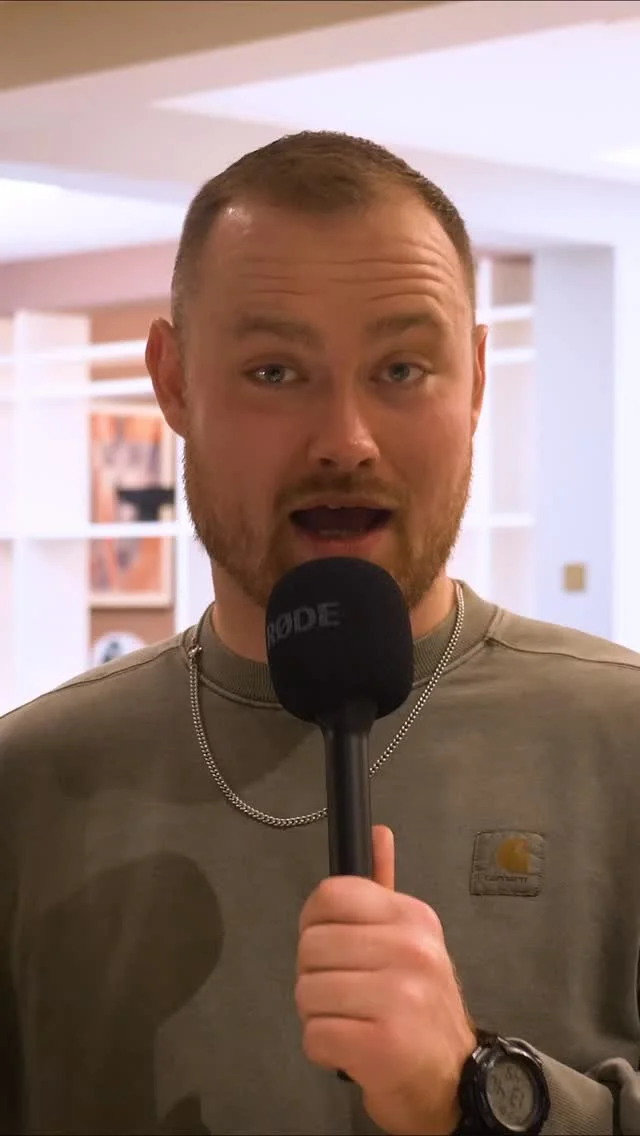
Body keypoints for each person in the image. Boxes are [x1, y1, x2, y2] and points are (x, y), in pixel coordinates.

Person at [0, 130, 639, 1136]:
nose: (346, 440)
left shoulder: (620, 740)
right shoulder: (28, 782)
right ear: (172, 381)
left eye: (402, 368)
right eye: (274, 371)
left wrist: (472, 1088)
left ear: (475, 379)